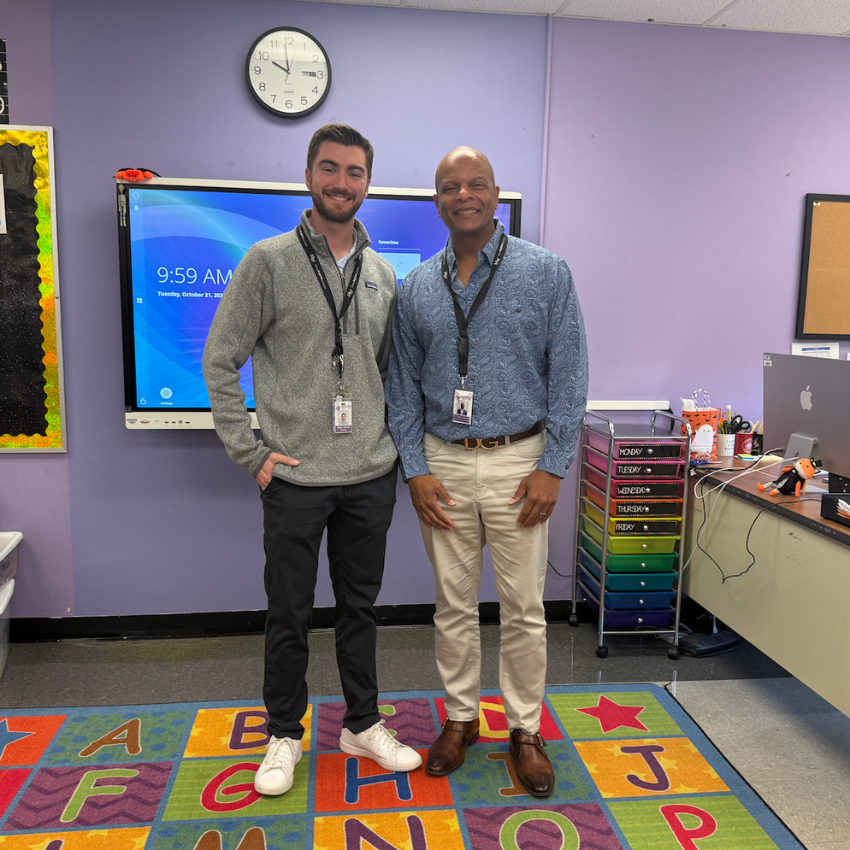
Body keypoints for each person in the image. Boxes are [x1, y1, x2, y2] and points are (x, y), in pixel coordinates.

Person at [203, 124, 422, 798]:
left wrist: (394, 458)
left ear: (366, 184)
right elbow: (219, 359)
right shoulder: (266, 262)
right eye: (330, 169)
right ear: (308, 175)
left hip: (369, 476)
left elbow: (390, 375)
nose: (342, 183)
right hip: (294, 475)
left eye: (355, 172)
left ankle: (361, 721)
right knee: (288, 612)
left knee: (361, 610)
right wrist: (252, 452)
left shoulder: (384, 273)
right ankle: (284, 734)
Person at [386, 146, 588, 797]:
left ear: (496, 196)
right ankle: (461, 719)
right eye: (450, 185)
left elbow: (571, 376)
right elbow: (400, 387)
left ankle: (524, 730)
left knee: (525, 608)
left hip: (520, 464)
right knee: (452, 604)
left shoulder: (546, 273)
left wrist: (553, 466)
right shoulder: (417, 286)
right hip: (443, 465)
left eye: (476, 184)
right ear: (438, 200)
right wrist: (414, 469)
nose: (463, 194)